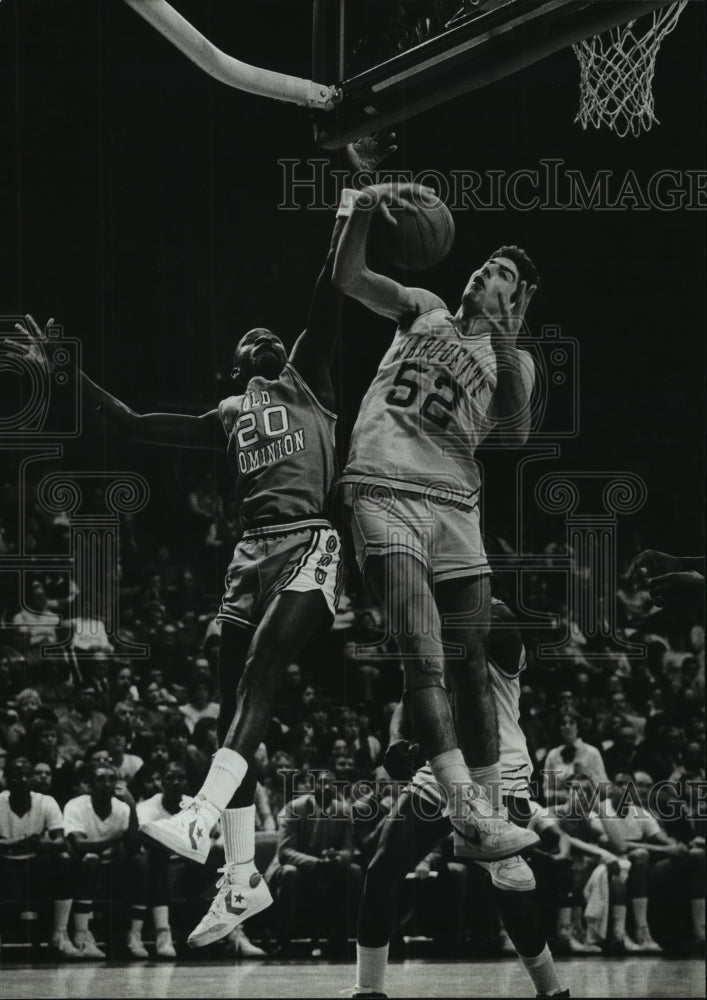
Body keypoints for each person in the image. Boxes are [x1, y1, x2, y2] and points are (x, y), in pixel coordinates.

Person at [13, 134, 399, 947]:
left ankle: (196, 819)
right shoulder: (226, 416)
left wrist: (351, 197)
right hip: (247, 557)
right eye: (248, 339)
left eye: (270, 334)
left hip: (305, 542)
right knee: (232, 714)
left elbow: (326, 290)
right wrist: (59, 369)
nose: (263, 335)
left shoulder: (309, 379)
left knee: (260, 672)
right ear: (234, 368)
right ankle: (237, 880)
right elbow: (127, 424)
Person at [333, 181, 539, 863]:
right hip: (381, 481)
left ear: (517, 299)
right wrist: (359, 206)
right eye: (484, 266)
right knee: (422, 653)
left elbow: (510, 433)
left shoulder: (517, 359)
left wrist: (504, 332)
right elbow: (348, 275)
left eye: (502, 276)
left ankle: (484, 809)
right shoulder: (420, 311)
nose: (484, 273)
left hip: (454, 501)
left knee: (470, 661)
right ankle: (463, 811)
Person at [347, 600, 567, 999]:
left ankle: (551, 991)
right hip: (440, 769)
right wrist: (398, 739)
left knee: (507, 889)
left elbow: (470, 629)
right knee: (382, 869)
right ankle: (369, 989)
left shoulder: (496, 617)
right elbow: (409, 694)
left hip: (500, 771)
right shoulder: (426, 621)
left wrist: (418, 620)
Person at [62, 762, 145, 959]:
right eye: (100, 780)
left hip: (115, 868)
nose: (106, 784)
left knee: (141, 861)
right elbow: (79, 845)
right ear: (89, 785)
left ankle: (135, 935)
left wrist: (131, 803)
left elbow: (134, 846)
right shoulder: (75, 806)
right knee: (91, 859)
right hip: (81, 867)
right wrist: (113, 839)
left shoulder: (123, 807)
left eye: (111, 780)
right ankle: (82, 936)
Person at [0, 756, 79, 958]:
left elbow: (60, 841)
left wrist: (40, 844)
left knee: (63, 859)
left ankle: (59, 934)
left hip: (37, 862)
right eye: (17, 776)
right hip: (5, 863)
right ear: (6, 780)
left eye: (28, 775)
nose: (24, 780)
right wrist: (14, 843)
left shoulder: (46, 801)